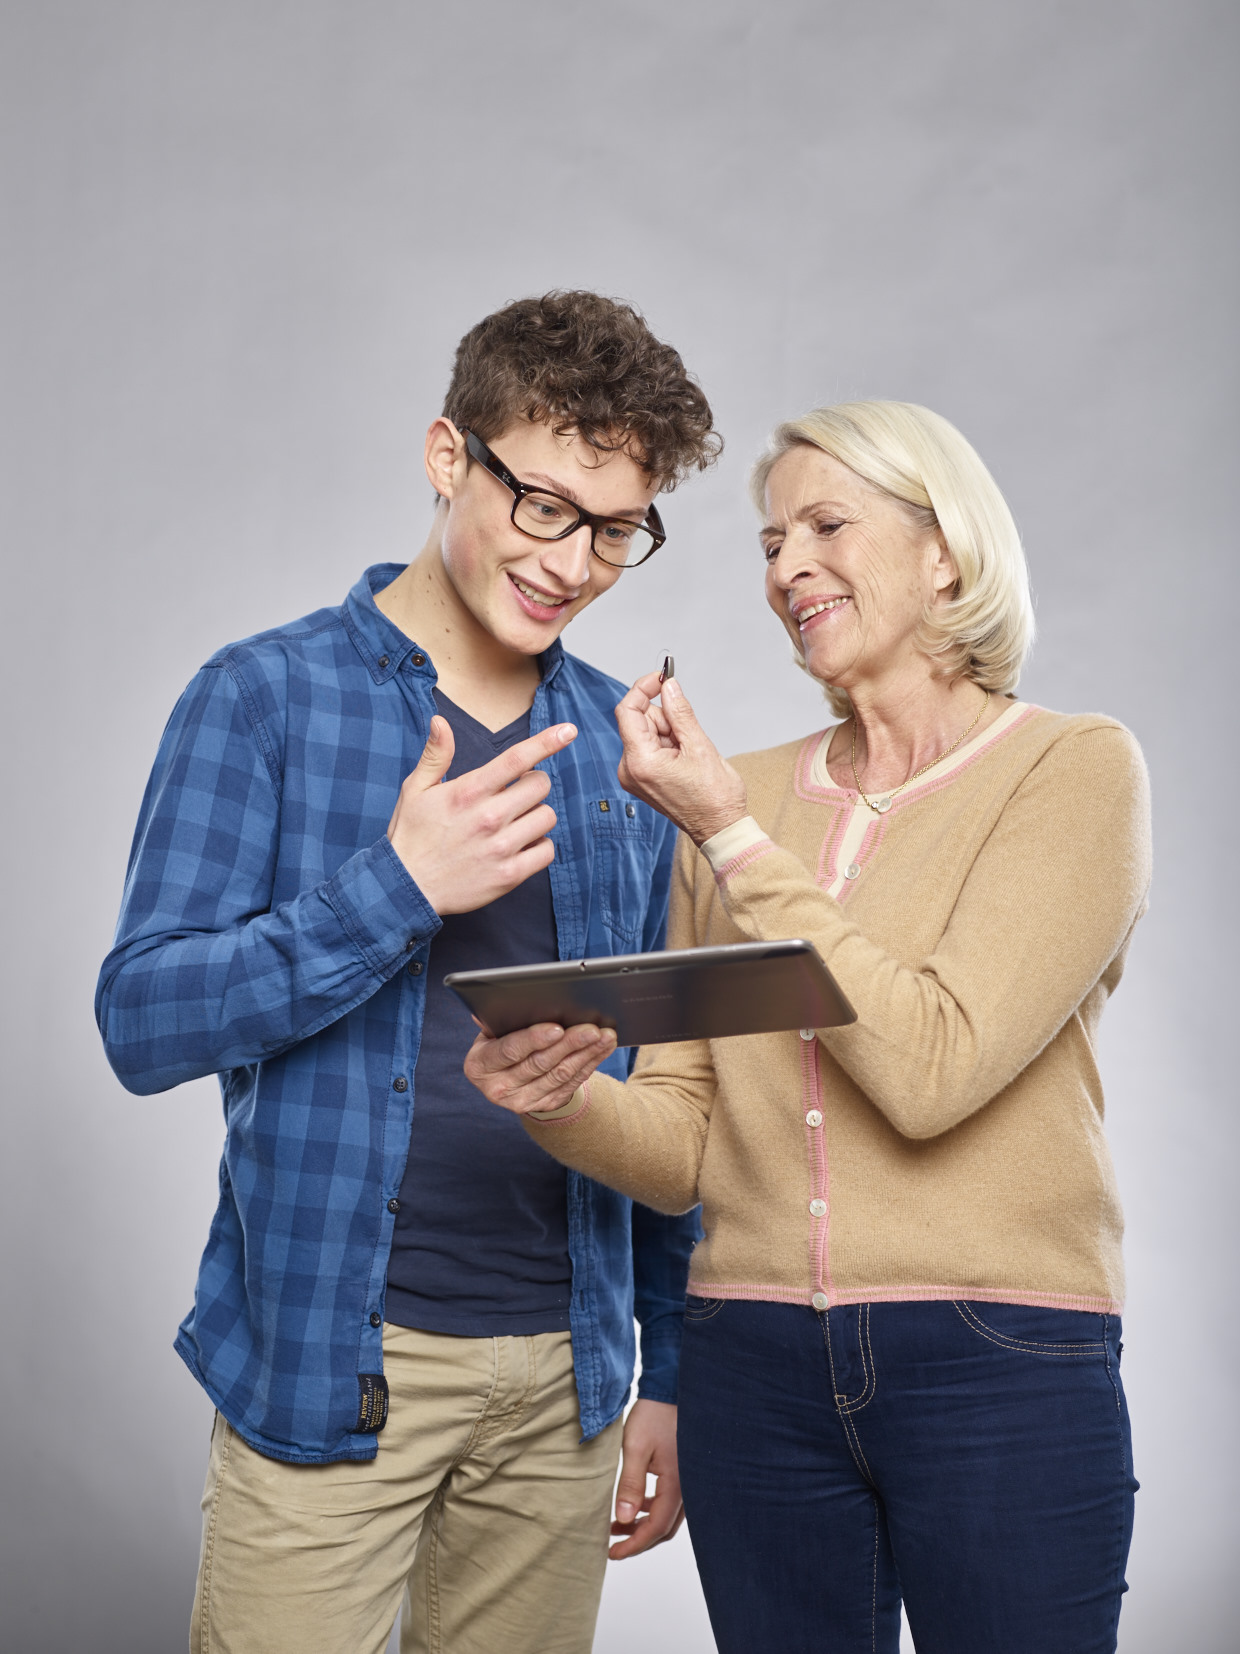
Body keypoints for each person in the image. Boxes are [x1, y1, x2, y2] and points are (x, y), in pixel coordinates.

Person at [467, 400, 1152, 1654]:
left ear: (944, 550)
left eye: (826, 525)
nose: (785, 568)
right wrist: (558, 1094)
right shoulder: (747, 791)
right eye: (770, 541)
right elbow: (684, 1141)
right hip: (751, 1356)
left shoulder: (1071, 770)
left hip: (995, 1354)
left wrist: (729, 836)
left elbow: (933, 1066)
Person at [95, 290, 719, 1654]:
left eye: (619, 529)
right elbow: (141, 1019)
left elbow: (663, 1079)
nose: (576, 562)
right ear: (450, 455)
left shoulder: (622, 755)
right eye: (546, 505)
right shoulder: (262, 697)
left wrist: (663, 1370)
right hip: (335, 1352)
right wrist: (399, 889)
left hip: (564, 1381)